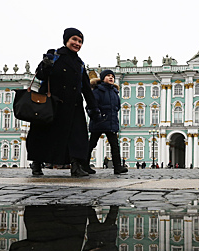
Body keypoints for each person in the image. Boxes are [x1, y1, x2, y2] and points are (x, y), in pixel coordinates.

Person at [27, 28, 99, 177]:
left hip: (73, 106)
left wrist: (93, 107)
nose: (77, 43)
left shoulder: (80, 63)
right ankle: (36, 163)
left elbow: (86, 87)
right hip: (52, 104)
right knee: (43, 135)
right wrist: (45, 65)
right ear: (66, 40)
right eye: (74, 39)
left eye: (80, 41)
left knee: (77, 137)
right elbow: (40, 75)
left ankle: (76, 166)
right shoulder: (54, 55)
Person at [86, 69, 128, 175]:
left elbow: (117, 106)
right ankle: (85, 165)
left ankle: (117, 167)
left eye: (112, 76)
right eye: (108, 76)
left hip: (111, 121)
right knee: (92, 143)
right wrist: (97, 115)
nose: (111, 78)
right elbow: (91, 105)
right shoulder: (97, 91)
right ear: (102, 78)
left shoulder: (114, 91)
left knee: (114, 145)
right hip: (99, 121)